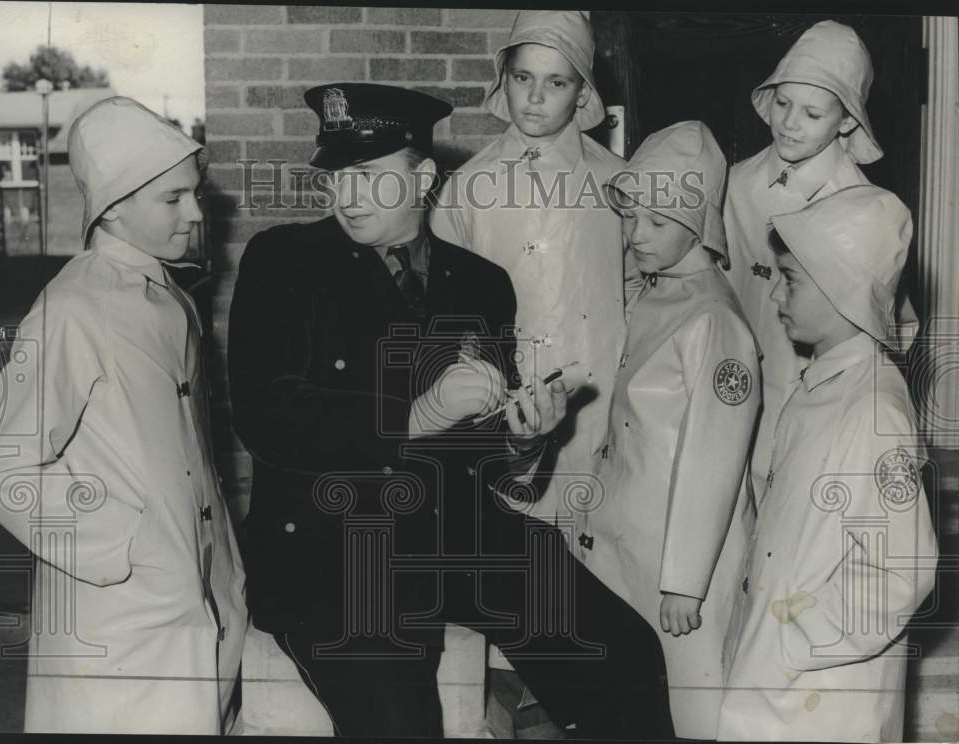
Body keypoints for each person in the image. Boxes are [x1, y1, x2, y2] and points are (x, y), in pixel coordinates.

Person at [227, 82, 674, 740]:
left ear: (423, 177)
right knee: (399, 719)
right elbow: (267, 415)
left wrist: (525, 439)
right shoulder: (284, 261)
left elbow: (479, 455)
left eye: (371, 178)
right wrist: (419, 413)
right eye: (338, 177)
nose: (347, 197)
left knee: (622, 652)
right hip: (336, 552)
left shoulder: (479, 282)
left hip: (456, 535)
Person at [0, 97, 247, 734]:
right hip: (118, 624)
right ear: (115, 206)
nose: (196, 213)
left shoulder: (167, 296)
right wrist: (130, 545)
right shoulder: (74, 305)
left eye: (195, 193)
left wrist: (224, 571)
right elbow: (3, 472)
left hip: (196, 606)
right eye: (173, 199)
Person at [717, 185, 938, 742]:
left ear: (842, 287)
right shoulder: (826, 381)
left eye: (791, 280)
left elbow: (902, 567)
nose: (776, 298)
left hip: (820, 698)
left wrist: (798, 634)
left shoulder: (873, 409)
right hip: (782, 679)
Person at [575, 121, 761, 739]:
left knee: (693, 710)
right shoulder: (659, 295)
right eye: (631, 219)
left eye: (657, 222)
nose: (636, 236)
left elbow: (715, 460)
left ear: (699, 222)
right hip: (632, 544)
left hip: (680, 570)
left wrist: (685, 583)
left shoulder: (715, 320)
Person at [429, 10, 633, 528]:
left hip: (602, 400)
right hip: (505, 410)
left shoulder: (621, 183)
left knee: (598, 555)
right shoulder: (467, 188)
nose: (536, 98)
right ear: (504, 81)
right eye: (524, 78)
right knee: (517, 554)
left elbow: (640, 288)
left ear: (583, 93)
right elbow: (445, 311)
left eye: (557, 82)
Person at [724, 19, 917, 504]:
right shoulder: (734, 184)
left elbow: (893, 329)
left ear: (847, 120)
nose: (788, 123)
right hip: (729, 388)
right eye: (783, 104)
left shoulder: (863, 207)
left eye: (812, 113)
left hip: (808, 402)